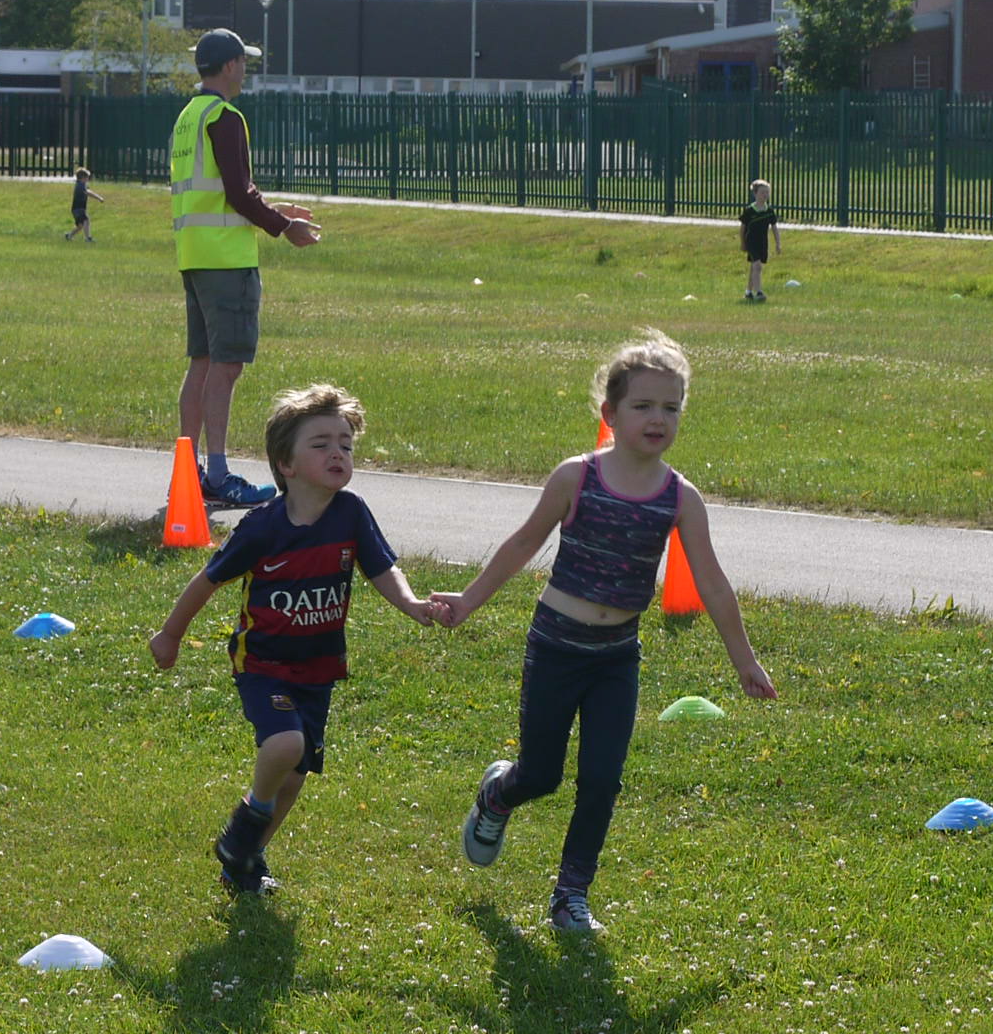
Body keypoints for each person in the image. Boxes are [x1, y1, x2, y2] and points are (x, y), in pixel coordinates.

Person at [435, 331, 777, 935]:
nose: (658, 419)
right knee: (541, 774)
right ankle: (497, 795)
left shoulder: (681, 498)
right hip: (555, 645)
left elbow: (714, 585)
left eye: (671, 407)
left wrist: (744, 661)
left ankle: (570, 895)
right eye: (643, 406)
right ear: (610, 413)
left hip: (616, 657)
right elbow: (522, 544)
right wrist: (467, 601)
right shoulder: (577, 477)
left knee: (601, 781)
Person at [149, 383, 436, 895]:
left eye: (345, 444)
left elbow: (382, 569)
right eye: (321, 444)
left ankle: (244, 859)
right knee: (285, 743)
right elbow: (208, 580)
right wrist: (171, 635)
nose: (338, 453)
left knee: (295, 777)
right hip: (263, 663)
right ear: (286, 464)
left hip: (318, 669)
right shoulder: (263, 528)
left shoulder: (351, 513)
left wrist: (412, 604)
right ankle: (246, 821)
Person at [170, 28, 323, 510]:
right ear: (230, 65)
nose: (245, 70)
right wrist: (284, 227)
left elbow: (222, 191)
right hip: (227, 260)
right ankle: (217, 473)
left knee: (202, 363)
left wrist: (274, 209)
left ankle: (187, 470)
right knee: (226, 366)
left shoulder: (188, 116)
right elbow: (238, 192)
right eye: (243, 62)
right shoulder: (225, 116)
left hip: (195, 254)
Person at [739, 179, 781, 302]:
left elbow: (774, 228)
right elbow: (742, 228)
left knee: (754, 267)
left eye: (767, 192)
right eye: (762, 192)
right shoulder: (749, 211)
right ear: (755, 193)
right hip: (751, 242)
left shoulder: (769, 211)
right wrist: (742, 243)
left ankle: (748, 292)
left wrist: (778, 243)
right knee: (757, 266)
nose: (765, 195)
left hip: (762, 242)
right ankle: (758, 292)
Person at [64, 166, 105, 242]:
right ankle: (88, 238)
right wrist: (99, 198)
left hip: (77, 209)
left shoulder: (81, 184)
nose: (88, 179)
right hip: (78, 209)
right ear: (82, 178)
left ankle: (69, 235)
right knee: (86, 220)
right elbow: (88, 192)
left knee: (80, 226)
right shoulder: (80, 185)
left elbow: (88, 190)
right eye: (87, 177)